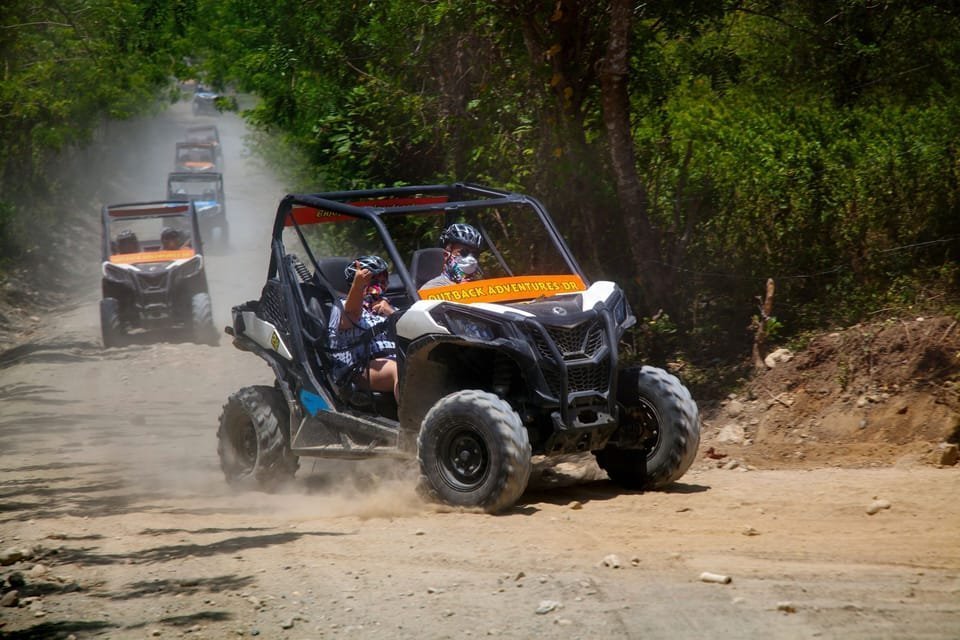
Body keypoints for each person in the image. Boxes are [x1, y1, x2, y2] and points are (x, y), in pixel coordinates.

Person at [327, 255, 399, 402]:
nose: (380, 284)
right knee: (400, 370)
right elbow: (351, 316)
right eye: (373, 280)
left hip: (395, 358)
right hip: (358, 368)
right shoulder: (342, 305)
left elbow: (412, 330)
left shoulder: (388, 307)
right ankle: (414, 423)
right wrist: (358, 286)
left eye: (383, 280)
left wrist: (392, 313)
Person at [420, 223, 484, 289]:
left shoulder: (483, 286)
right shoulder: (432, 288)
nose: (470, 258)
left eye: (474, 254)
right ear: (446, 255)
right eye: (463, 252)